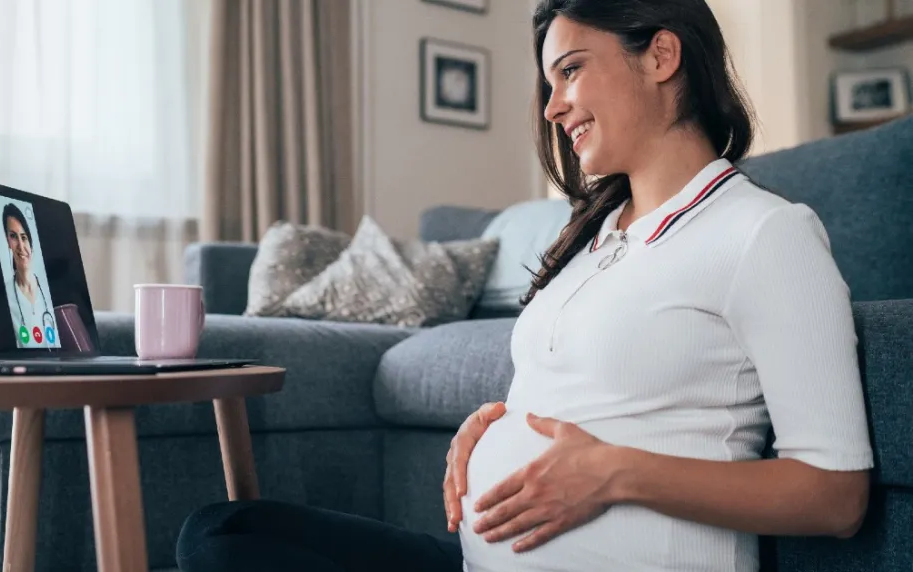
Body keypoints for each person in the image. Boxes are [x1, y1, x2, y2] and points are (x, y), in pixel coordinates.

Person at [174, 1, 874, 570]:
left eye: (570, 71)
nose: (552, 106)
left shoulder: (765, 233)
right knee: (224, 533)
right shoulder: (595, 236)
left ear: (662, 56)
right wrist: (499, 422)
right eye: (550, 82)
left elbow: (835, 496)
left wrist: (613, 473)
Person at [1, 203, 55, 346]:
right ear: (7, 241)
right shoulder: (3, 296)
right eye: (13, 236)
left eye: (23, 237)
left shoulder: (49, 291)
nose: (20, 245)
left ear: (30, 241)